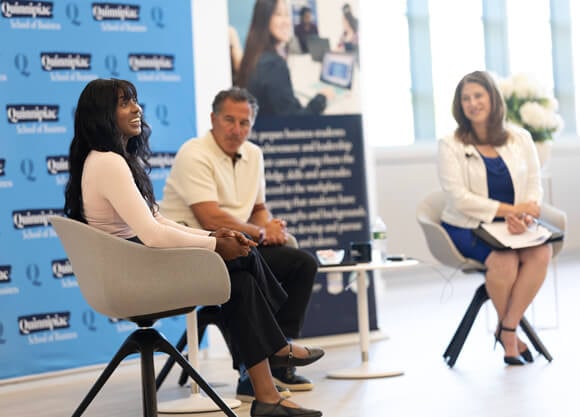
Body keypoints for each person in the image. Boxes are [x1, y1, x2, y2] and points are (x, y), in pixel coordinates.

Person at [64, 78, 323, 417]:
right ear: (102, 115)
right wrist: (215, 244)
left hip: (137, 266)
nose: (137, 108)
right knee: (242, 260)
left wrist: (218, 242)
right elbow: (154, 235)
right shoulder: (108, 163)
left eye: (135, 101)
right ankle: (277, 349)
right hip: (134, 277)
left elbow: (158, 221)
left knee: (242, 271)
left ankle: (267, 397)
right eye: (125, 103)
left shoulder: (112, 159)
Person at [160, 86, 320, 395]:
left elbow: (258, 208)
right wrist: (261, 233)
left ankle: (279, 363)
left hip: (239, 247)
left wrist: (271, 227)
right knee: (246, 277)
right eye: (229, 120)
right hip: (198, 251)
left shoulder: (254, 154)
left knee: (302, 264)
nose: (237, 130)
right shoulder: (194, 153)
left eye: (244, 123)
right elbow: (210, 217)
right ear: (213, 119)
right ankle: (257, 368)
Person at [438, 70, 552, 366]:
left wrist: (525, 215)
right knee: (505, 261)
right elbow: (458, 198)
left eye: (478, 96)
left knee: (541, 252)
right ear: (459, 105)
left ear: (492, 99)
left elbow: (533, 185)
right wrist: (511, 211)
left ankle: (507, 328)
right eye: (466, 98)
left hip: (512, 225)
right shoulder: (450, 144)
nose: (472, 103)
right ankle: (511, 339)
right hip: (468, 225)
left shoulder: (520, 137)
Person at [235, 0, 333, 117]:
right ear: (264, 18)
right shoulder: (273, 65)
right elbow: (296, 123)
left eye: (287, 14)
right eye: (278, 14)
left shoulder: (254, 56)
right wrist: (322, 98)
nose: (287, 21)